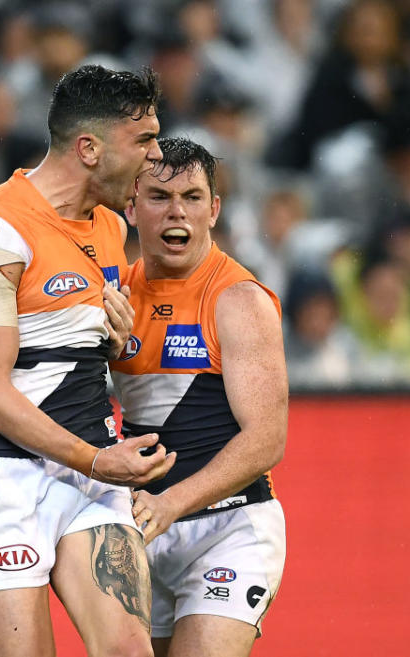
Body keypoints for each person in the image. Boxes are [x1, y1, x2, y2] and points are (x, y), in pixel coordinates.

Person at [0, 64, 175, 657]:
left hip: (91, 474)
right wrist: (98, 461)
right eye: (144, 140)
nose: (156, 156)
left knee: (128, 651)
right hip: (0, 475)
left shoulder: (110, 226)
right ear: (88, 148)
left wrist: (119, 340)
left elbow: (84, 346)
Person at [115, 137, 287, 656]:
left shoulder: (238, 299)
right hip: (144, 530)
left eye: (192, 197)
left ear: (214, 210)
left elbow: (267, 440)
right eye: (160, 197)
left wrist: (169, 504)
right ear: (131, 206)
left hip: (227, 527)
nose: (177, 212)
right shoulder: (115, 294)